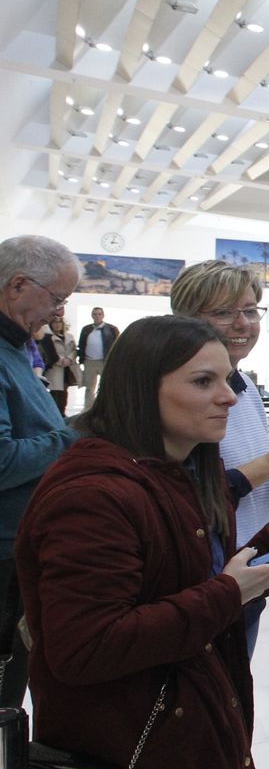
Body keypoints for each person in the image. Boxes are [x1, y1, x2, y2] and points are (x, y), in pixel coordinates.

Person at [17, 314, 269, 769]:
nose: (227, 397)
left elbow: (173, 589)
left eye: (227, 380)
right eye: (203, 382)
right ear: (143, 388)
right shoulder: (95, 494)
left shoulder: (174, 473)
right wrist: (225, 595)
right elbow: (87, 646)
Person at [170, 260, 269, 656]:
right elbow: (186, 497)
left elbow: (265, 491)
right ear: (187, 318)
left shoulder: (243, 383)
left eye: (249, 311)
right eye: (224, 313)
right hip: (205, 577)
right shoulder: (181, 391)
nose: (243, 323)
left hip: (249, 564)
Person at [0, 234, 80, 708]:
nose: (57, 312)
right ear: (17, 286)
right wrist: (72, 436)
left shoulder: (13, 348)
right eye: (57, 299)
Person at [77, 305, 119, 409]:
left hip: (104, 362)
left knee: (107, 386)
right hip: (89, 362)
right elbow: (81, 344)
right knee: (89, 388)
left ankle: (107, 408)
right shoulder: (86, 329)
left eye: (99, 314)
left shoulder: (111, 329)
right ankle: (88, 409)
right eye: (95, 314)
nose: (97, 316)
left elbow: (117, 344)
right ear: (92, 315)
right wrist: (81, 359)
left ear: (103, 315)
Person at [39, 315, 80, 414]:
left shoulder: (69, 336)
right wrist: (61, 360)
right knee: (55, 392)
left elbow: (74, 350)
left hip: (68, 368)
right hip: (55, 368)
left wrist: (69, 359)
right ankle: (55, 414)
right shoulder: (48, 337)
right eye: (55, 322)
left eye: (59, 322)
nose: (57, 325)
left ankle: (62, 412)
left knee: (64, 392)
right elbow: (48, 352)